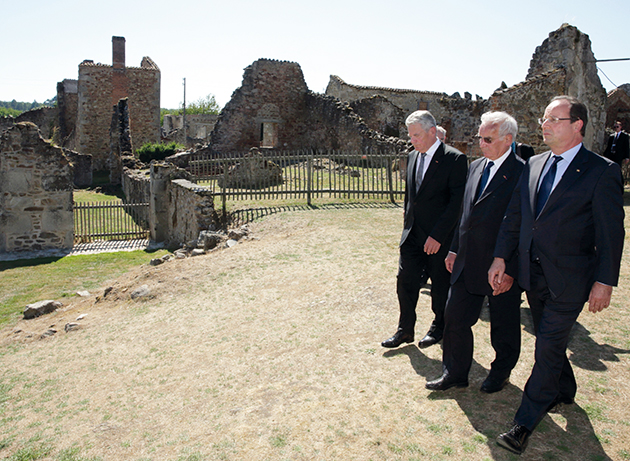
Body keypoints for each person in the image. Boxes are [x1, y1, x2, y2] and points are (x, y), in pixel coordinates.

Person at [488, 96, 625, 455]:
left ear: (577, 124)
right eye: (544, 119)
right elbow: (515, 217)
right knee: (552, 344)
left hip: (571, 279)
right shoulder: (531, 165)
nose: (545, 125)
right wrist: (501, 257)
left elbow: (611, 234)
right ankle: (564, 389)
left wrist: (605, 281)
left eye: (554, 119)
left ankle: (524, 422)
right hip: (532, 276)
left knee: (546, 346)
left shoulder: (601, 170)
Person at [425, 111, 524, 392]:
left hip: (500, 265)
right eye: (479, 138)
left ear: (508, 139)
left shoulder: (523, 172)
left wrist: (511, 268)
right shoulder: (476, 167)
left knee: (503, 325)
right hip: (467, 260)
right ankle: (454, 373)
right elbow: (465, 215)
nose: (481, 143)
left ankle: (500, 372)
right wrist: (454, 249)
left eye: (488, 138)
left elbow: (522, 226)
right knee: (454, 317)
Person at [381, 110, 467, 349]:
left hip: (438, 239)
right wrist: (407, 224)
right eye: (410, 135)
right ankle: (404, 330)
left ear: (432, 131)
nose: (413, 140)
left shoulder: (454, 159)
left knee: (440, 286)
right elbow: (411, 197)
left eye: (417, 135)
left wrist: (438, 236)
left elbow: (456, 203)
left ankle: (439, 327)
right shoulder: (412, 156)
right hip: (412, 235)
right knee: (405, 281)